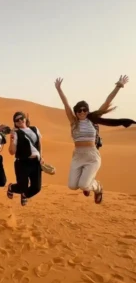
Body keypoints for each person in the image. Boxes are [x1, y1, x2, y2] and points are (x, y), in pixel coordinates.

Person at [55, 75, 134, 204]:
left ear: (87, 111)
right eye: (79, 110)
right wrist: (59, 89)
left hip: (92, 155)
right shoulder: (73, 122)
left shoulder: (93, 120)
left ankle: (97, 187)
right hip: (77, 156)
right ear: (75, 112)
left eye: (84, 110)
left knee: (84, 185)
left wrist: (118, 86)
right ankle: (87, 183)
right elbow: (66, 104)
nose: (81, 112)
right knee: (72, 186)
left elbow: (107, 102)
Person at [7, 111, 43, 205]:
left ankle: (25, 195)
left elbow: (39, 144)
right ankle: (11, 188)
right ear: (14, 123)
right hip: (22, 163)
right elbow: (12, 152)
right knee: (22, 186)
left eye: (21, 118)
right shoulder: (16, 133)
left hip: (36, 162)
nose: (19, 120)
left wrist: (41, 157)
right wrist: (11, 140)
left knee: (37, 188)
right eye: (16, 120)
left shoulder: (35, 129)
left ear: (25, 119)